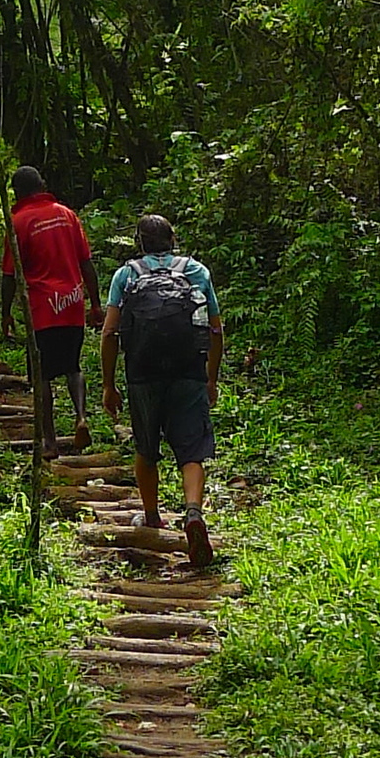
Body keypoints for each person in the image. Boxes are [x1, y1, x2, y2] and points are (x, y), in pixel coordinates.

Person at [99, 211, 224, 568]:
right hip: (188, 370)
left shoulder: (126, 275)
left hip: (142, 372)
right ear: (172, 239)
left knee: (146, 445)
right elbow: (215, 331)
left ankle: (152, 515)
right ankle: (193, 512)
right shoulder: (196, 271)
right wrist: (210, 377)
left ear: (139, 242)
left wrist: (109, 385)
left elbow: (109, 333)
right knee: (192, 450)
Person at [0, 164, 96, 453]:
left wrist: (5, 313)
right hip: (72, 304)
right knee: (72, 366)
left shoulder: (17, 223)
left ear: (16, 193)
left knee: (41, 375)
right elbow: (86, 263)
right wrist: (96, 303)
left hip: (41, 309)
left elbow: (10, 275)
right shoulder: (66, 214)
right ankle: (81, 417)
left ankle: (50, 441)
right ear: (42, 184)